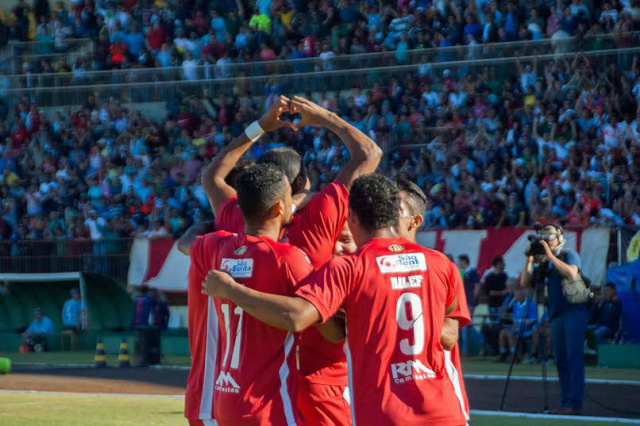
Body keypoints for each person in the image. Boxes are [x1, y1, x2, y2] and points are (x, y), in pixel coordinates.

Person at [202, 174, 470, 426]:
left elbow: (296, 317)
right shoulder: (441, 263)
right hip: (446, 411)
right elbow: (449, 335)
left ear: (351, 216)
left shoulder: (348, 268)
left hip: (386, 413)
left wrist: (231, 290)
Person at [204, 95, 381, 426]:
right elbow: (369, 154)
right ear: (296, 187)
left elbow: (212, 176)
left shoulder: (238, 219)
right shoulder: (319, 216)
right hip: (320, 378)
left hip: (255, 384)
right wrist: (323, 117)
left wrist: (261, 126)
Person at [182, 163, 341, 426]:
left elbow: (186, 243)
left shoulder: (214, 247)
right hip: (268, 406)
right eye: (291, 197)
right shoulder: (288, 259)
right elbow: (325, 328)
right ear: (280, 207)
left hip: (224, 399)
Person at [396, 178, 471, 422]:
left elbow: (449, 336)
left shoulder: (439, 265)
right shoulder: (368, 262)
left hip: (438, 399)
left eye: (396, 209)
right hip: (390, 402)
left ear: (415, 221)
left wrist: (391, 307)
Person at [521, 224, 586, 415]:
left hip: (574, 312)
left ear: (559, 238)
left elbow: (572, 272)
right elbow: (525, 282)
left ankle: (574, 403)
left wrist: (550, 256)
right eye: (544, 236)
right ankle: (566, 402)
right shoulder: (546, 263)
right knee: (561, 361)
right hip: (556, 315)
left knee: (574, 359)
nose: (546, 240)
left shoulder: (569, 254)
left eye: (550, 236)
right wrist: (529, 259)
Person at [496, 287, 537, 362]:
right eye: (516, 294)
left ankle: (515, 355)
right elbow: (515, 320)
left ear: (523, 294)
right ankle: (503, 354)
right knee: (503, 332)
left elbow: (532, 321)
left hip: (527, 328)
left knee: (510, 333)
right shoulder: (516, 304)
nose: (517, 296)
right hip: (517, 327)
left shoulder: (531, 304)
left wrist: (518, 324)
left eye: (519, 294)